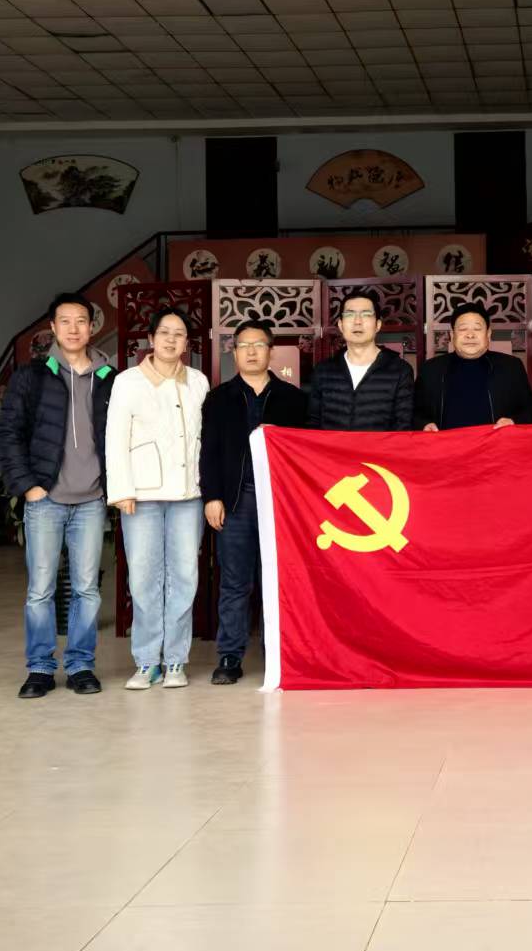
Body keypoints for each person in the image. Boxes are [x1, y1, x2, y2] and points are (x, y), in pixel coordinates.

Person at [0, 291, 116, 699]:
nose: (73, 328)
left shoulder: (109, 378)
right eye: (65, 321)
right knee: (41, 590)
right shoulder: (31, 376)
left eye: (81, 320)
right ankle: (40, 668)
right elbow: (9, 434)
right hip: (45, 498)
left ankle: (81, 665)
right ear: (52, 327)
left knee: (86, 589)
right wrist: (27, 486)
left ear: (91, 327)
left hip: (91, 500)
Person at [106, 308, 210, 691]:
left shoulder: (197, 381)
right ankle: (147, 661)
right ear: (151, 339)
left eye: (178, 334)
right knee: (144, 578)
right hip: (142, 496)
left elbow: (204, 438)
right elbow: (115, 437)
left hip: (188, 494)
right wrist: (121, 490)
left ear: (186, 343)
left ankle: (176, 660)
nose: (171, 339)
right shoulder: (128, 382)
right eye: (164, 332)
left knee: (185, 576)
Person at [200, 317, 307, 686]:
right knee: (235, 581)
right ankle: (230, 655)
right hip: (236, 500)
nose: (251, 352)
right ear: (234, 352)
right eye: (243, 345)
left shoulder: (294, 399)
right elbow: (209, 452)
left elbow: (306, 454)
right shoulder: (218, 398)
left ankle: (278, 651)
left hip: (282, 502)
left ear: (271, 352)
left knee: (279, 579)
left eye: (258, 345)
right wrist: (212, 496)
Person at [414, 303, 532, 430]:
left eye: (477, 329)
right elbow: (415, 414)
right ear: (452, 335)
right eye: (463, 329)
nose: (470, 335)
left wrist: (513, 421)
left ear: (488, 334)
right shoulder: (431, 370)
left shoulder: (511, 367)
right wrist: (424, 425)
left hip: (497, 442)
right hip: (446, 442)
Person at [306, 290, 414, 432]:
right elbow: (312, 425)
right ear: (341, 325)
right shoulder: (323, 371)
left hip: (380, 448)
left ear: (378, 325)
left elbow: (403, 428)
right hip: (331, 448)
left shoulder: (400, 371)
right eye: (350, 314)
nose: (357, 321)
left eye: (366, 314)